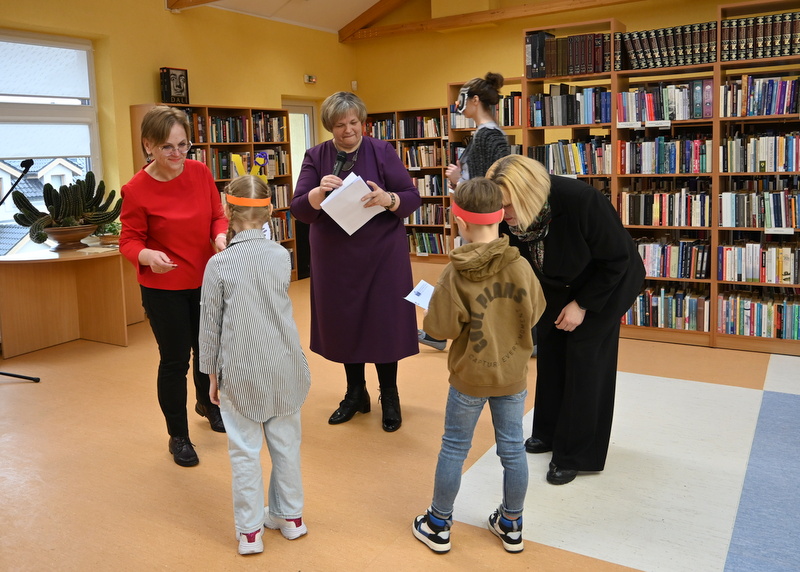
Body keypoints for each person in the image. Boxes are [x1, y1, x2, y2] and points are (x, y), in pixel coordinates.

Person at [486, 155, 646, 485]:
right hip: (557, 283)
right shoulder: (506, 212)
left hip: (606, 283)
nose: (503, 214)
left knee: (585, 362)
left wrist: (583, 305)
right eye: (498, 205)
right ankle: (547, 433)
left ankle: (574, 454)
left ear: (528, 194)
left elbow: (617, 259)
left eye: (508, 205)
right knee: (552, 353)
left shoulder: (581, 200)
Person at [412, 177, 544, 555]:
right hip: (512, 375)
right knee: (513, 450)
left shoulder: (454, 273)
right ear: (501, 217)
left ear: (460, 222)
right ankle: (512, 523)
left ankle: (438, 524)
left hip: (469, 376)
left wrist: (437, 307)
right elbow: (536, 311)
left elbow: (440, 330)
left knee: (455, 448)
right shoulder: (520, 266)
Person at [290, 91, 421, 432]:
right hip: (336, 258)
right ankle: (355, 394)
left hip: (381, 255)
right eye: (339, 125)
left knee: (383, 322)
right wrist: (318, 192)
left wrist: (387, 198)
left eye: (353, 122)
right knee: (344, 323)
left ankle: (389, 395)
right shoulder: (316, 156)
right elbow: (299, 208)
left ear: (363, 121)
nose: (348, 130)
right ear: (329, 127)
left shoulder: (382, 150)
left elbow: (411, 197)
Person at [199, 175, 311, 556]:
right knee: (287, 445)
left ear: (226, 211)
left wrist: (211, 375)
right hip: (284, 367)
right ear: (270, 213)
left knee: (245, 451)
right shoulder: (282, 257)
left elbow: (209, 326)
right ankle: (291, 517)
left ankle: (250, 533)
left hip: (240, 372)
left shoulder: (218, 265)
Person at [120, 105, 228, 468]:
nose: (177, 154)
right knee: (175, 360)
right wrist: (147, 255)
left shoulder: (200, 172)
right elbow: (129, 241)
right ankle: (178, 435)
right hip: (164, 287)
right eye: (167, 147)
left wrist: (220, 235)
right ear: (148, 145)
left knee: (207, 351)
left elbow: (217, 215)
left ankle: (206, 404)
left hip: (205, 280)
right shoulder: (136, 189)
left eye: (183, 145)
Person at [418, 71, 511, 352]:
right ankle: (441, 330)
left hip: (480, 221)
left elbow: (487, 186)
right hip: (477, 219)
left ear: (475, 101)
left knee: (465, 275)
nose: (459, 106)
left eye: (463, 100)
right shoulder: (486, 134)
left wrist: (459, 181)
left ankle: (439, 331)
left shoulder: (487, 135)